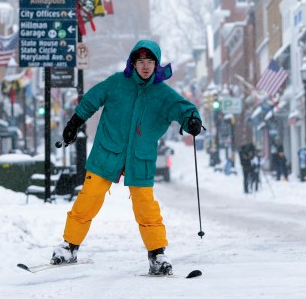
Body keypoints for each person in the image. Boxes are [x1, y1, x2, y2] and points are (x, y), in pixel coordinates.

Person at [50, 40, 202, 276]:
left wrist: (192, 120)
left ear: (156, 65)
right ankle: (69, 246)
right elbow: (91, 99)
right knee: (88, 198)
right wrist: (74, 123)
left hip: (140, 158)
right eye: (140, 61)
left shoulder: (162, 94)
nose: (145, 66)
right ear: (133, 62)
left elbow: (184, 109)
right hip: (107, 151)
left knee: (146, 207)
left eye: (150, 62)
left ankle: (157, 254)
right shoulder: (116, 83)